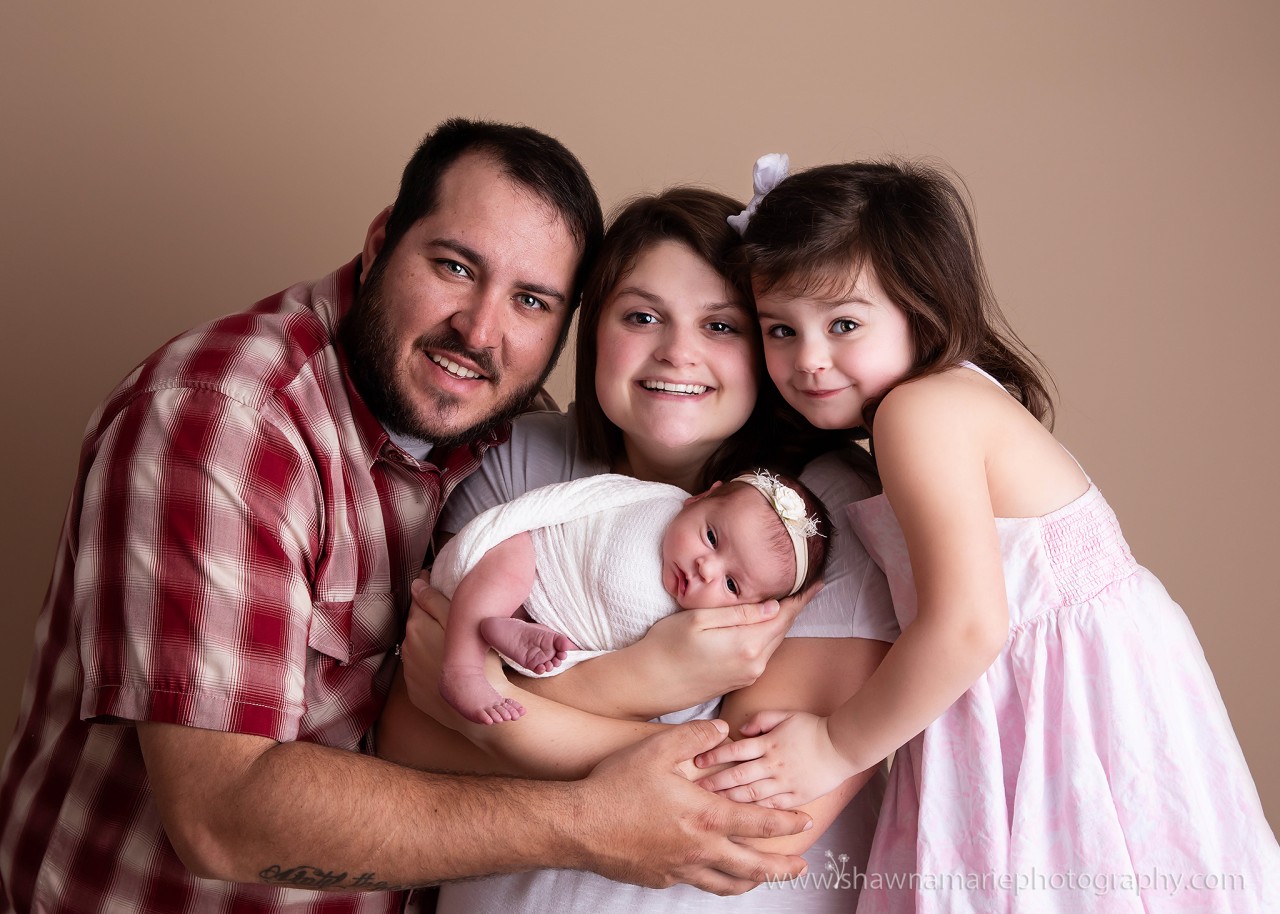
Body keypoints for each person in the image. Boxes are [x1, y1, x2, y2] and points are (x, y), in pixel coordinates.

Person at [0, 120, 818, 914]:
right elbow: (223, 815)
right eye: (456, 266)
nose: (481, 327)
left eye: (531, 300)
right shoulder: (227, 419)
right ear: (383, 237)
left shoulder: (498, 424)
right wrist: (591, 822)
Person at [695, 157, 1280, 911]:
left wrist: (837, 745)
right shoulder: (942, 402)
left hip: (1055, 704)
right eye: (781, 329)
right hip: (1044, 698)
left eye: (844, 324)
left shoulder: (921, 412)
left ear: (921, 308)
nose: (808, 360)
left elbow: (969, 626)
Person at [379, 186, 899, 912]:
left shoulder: (821, 518)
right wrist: (644, 682)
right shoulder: (519, 463)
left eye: (720, 324)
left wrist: (494, 705)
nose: (678, 352)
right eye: (642, 316)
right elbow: (405, 745)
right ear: (594, 333)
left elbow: (751, 825)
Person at [434, 470, 829, 724]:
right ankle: (463, 668)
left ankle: (519, 632)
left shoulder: (701, 629)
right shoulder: (655, 504)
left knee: (563, 653)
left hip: (570, 652)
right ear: (698, 499)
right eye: (710, 537)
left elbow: (683, 690)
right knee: (511, 557)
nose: (706, 568)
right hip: (542, 562)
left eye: (731, 585)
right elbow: (582, 506)